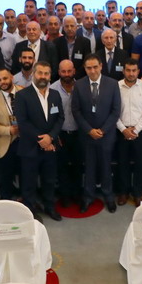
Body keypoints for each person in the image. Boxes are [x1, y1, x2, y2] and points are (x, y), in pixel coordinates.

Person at [13, 61, 63, 221]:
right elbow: (23, 122)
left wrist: (51, 137)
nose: (43, 76)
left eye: (46, 73)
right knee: (29, 183)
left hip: (50, 147)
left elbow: (60, 118)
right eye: (40, 73)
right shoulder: (22, 95)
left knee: (49, 180)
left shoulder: (55, 95)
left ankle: (49, 207)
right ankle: (30, 212)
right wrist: (42, 139)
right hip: (30, 148)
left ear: (50, 76)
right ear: (34, 74)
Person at [71, 54, 121, 213]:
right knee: (89, 168)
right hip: (87, 135)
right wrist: (89, 130)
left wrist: (103, 130)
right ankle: (88, 197)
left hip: (106, 135)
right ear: (85, 69)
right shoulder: (79, 85)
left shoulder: (112, 84)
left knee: (106, 167)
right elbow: (76, 111)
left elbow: (116, 111)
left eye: (95, 67)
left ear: (101, 66)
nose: (92, 71)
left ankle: (109, 196)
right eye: (88, 68)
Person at [115, 58, 142, 206]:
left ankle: (138, 193)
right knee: (122, 163)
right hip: (121, 131)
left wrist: (135, 130)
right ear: (123, 71)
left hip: (140, 131)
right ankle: (123, 192)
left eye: (134, 70)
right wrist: (123, 129)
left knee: (140, 163)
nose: (131, 73)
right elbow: (113, 111)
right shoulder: (116, 87)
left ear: (138, 71)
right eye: (128, 70)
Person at [0, 67, 21, 200]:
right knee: (5, 178)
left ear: (12, 77)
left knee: (27, 175)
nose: (3, 82)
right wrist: (8, 130)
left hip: (25, 141)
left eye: (5, 78)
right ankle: (6, 201)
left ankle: (28, 202)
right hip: (5, 143)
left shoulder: (25, 92)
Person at [53, 60, 83, 208]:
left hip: (79, 133)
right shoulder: (52, 89)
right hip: (61, 134)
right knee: (62, 166)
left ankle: (77, 194)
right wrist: (55, 135)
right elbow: (50, 115)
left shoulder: (82, 87)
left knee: (78, 165)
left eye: (69, 71)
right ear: (59, 72)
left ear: (74, 71)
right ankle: (65, 195)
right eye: (63, 71)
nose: (66, 74)